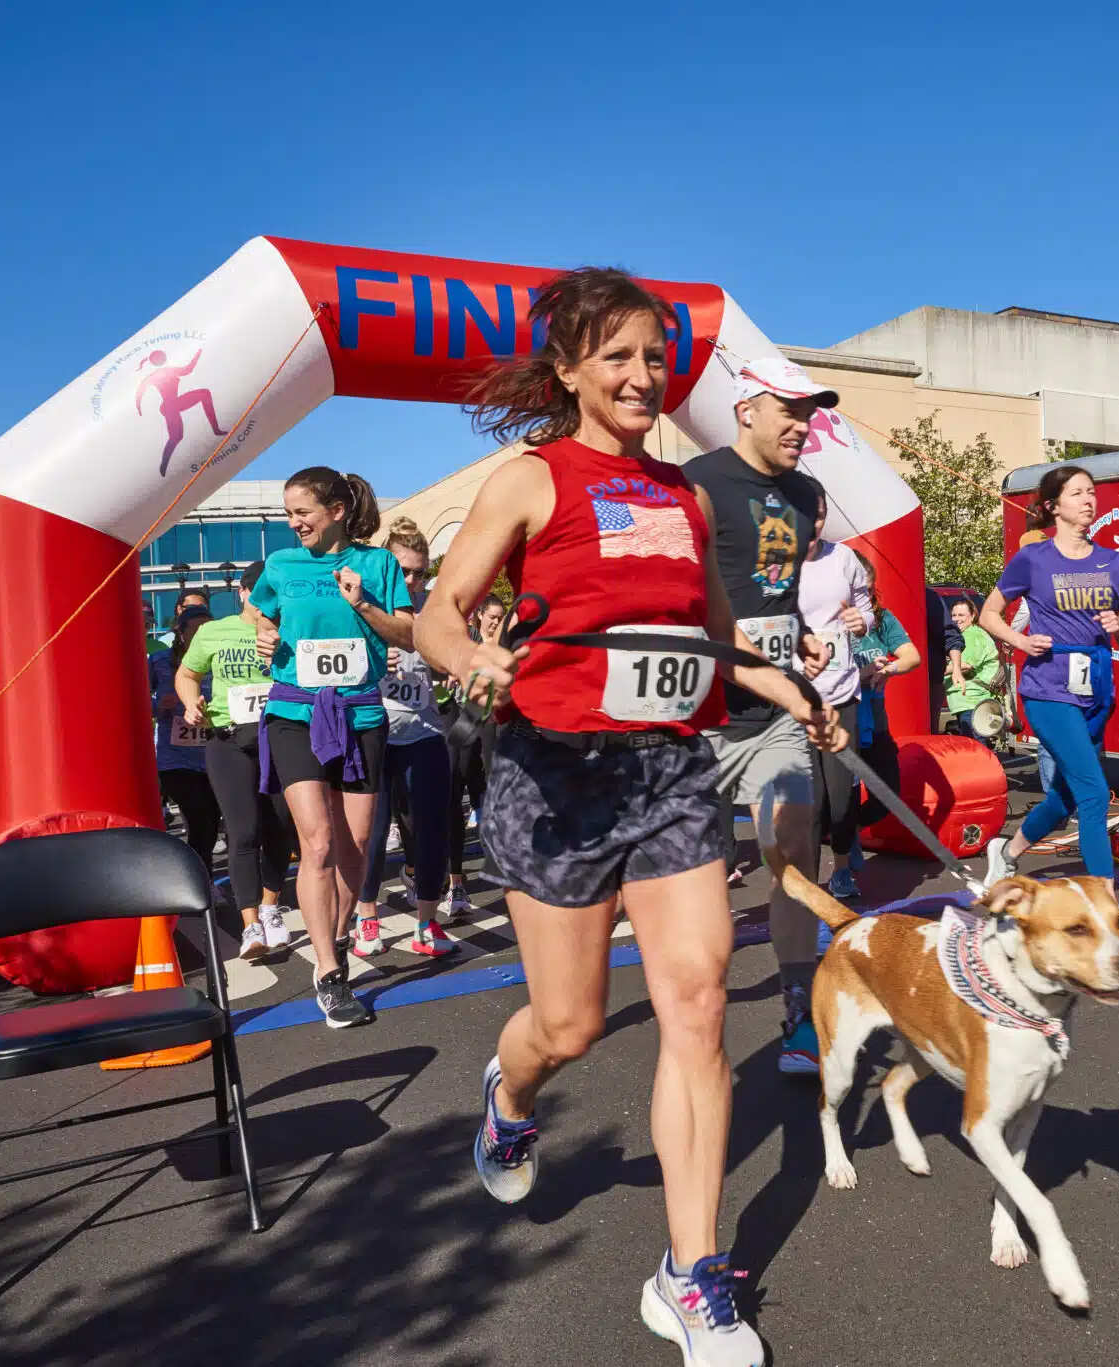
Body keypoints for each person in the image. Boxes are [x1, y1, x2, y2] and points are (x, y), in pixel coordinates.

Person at [417, 268, 842, 1367]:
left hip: (666, 772)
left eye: (655, 356)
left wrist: (788, 686)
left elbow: (713, 640)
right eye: (617, 356)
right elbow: (440, 614)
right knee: (569, 1027)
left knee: (697, 999)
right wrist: (472, 663)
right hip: (556, 777)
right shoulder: (530, 478)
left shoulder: (684, 499)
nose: (643, 375)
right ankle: (511, 1095)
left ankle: (690, 1272)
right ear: (567, 369)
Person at [682, 355, 841, 1076]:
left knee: (794, 849)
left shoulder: (805, 493)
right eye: (789, 410)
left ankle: (800, 1010)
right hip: (700, 715)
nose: (802, 425)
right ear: (746, 411)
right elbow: (695, 602)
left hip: (775, 715)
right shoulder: (699, 483)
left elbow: (773, 589)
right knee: (700, 879)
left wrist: (797, 635)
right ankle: (695, 1014)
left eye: (810, 413)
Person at [250, 466, 415, 1029]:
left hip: (361, 712)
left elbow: (407, 633)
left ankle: (339, 937)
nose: (293, 523)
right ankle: (328, 971)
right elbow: (257, 610)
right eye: (288, 513)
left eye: (303, 513)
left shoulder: (378, 564)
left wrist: (364, 605)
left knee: (357, 843)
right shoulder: (280, 564)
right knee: (317, 842)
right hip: (294, 712)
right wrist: (262, 632)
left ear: (337, 512)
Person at [978, 465, 1119, 887]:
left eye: (1092, 492)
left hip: (1096, 688)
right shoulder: (1033, 559)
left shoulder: (1112, 562)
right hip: (1048, 688)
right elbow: (988, 614)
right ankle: (1104, 897)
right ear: (1053, 506)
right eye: (1077, 493)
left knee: (1066, 795)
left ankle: (1007, 852)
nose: (1088, 500)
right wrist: (1020, 640)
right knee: (1094, 793)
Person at [350, 517, 458, 959]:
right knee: (371, 834)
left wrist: (448, 665)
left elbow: (449, 660)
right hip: (373, 729)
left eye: (419, 572)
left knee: (431, 828)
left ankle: (426, 922)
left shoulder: (434, 610)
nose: (412, 581)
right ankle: (366, 917)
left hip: (424, 730)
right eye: (403, 571)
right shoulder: (364, 605)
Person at [178, 562, 294, 961]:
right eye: (257, 593)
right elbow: (187, 674)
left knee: (280, 826)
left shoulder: (290, 630)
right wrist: (190, 703)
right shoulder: (213, 631)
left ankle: (270, 908)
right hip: (228, 738)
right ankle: (250, 925)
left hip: (281, 737)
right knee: (243, 832)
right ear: (243, 593)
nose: (264, 602)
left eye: (272, 595)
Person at [795, 479, 877, 901]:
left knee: (841, 796)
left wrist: (863, 622)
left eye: (821, 514)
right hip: (795, 696)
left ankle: (842, 868)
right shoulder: (776, 563)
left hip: (842, 691)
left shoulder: (843, 557)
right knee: (809, 800)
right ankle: (807, 883)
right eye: (807, 514)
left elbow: (865, 608)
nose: (815, 523)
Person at [441, 594, 506, 920]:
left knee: (493, 790)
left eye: (499, 617)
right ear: (478, 615)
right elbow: (439, 683)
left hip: (490, 723)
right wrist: (450, 676)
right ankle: (455, 882)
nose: (495, 622)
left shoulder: (503, 645)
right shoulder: (463, 640)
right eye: (491, 616)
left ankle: (504, 869)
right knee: (455, 792)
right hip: (461, 718)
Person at [849, 588, 922, 873]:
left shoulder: (882, 619)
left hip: (876, 723)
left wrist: (888, 669)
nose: (860, 596)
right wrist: (862, 674)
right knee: (840, 796)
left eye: (865, 589)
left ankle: (850, 829)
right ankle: (841, 855)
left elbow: (911, 656)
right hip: (842, 722)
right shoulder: (829, 620)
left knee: (887, 794)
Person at [153, 605, 222, 876]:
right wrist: (159, 706)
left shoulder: (219, 658)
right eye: (197, 631)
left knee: (211, 821)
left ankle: (203, 878)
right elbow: (135, 697)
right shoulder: (159, 661)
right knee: (197, 817)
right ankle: (196, 878)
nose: (204, 635)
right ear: (180, 634)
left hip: (213, 753)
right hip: (175, 758)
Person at [943, 598, 1003, 744]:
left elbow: (965, 665)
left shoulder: (972, 635)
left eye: (961, 615)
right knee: (973, 745)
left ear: (973, 615)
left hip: (972, 702)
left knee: (975, 745)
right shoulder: (966, 634)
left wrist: (932, 671)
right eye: (954, 615)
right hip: (968, 702)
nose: (956, 619)